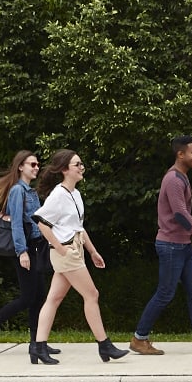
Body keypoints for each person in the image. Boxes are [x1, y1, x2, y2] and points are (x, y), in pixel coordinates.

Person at [130, 136, 192, 363]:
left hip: (182, 245)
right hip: (171, 246)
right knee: (165, 293)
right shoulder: (174, 179)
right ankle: (139, 338)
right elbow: (178, 215)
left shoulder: (181, 177)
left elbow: (181, 212)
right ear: (180, 154)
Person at [28, 150, 129, 364]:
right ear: (65, 169)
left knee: (54, 299)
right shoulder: (58, 194)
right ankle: (104, 345)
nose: (81, 167)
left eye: (81, 164)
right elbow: (41, 223)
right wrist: (61, 249)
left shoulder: (75, 194)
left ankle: (38, 347)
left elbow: (79, 228)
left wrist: (92, 251)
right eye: (77, 164)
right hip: (66, 252)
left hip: (75, 249)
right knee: (92, 294)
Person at [0, 150, 59, 355]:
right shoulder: (17, 191)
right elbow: (17, 226)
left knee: (39, 297)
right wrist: (22, 252)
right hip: (26, 248)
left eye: (37, 164)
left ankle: (37, 343)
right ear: (20, 166)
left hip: (36, 247)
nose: (36, 167)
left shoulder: (30, 191)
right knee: (28, 298)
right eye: (32, 164)